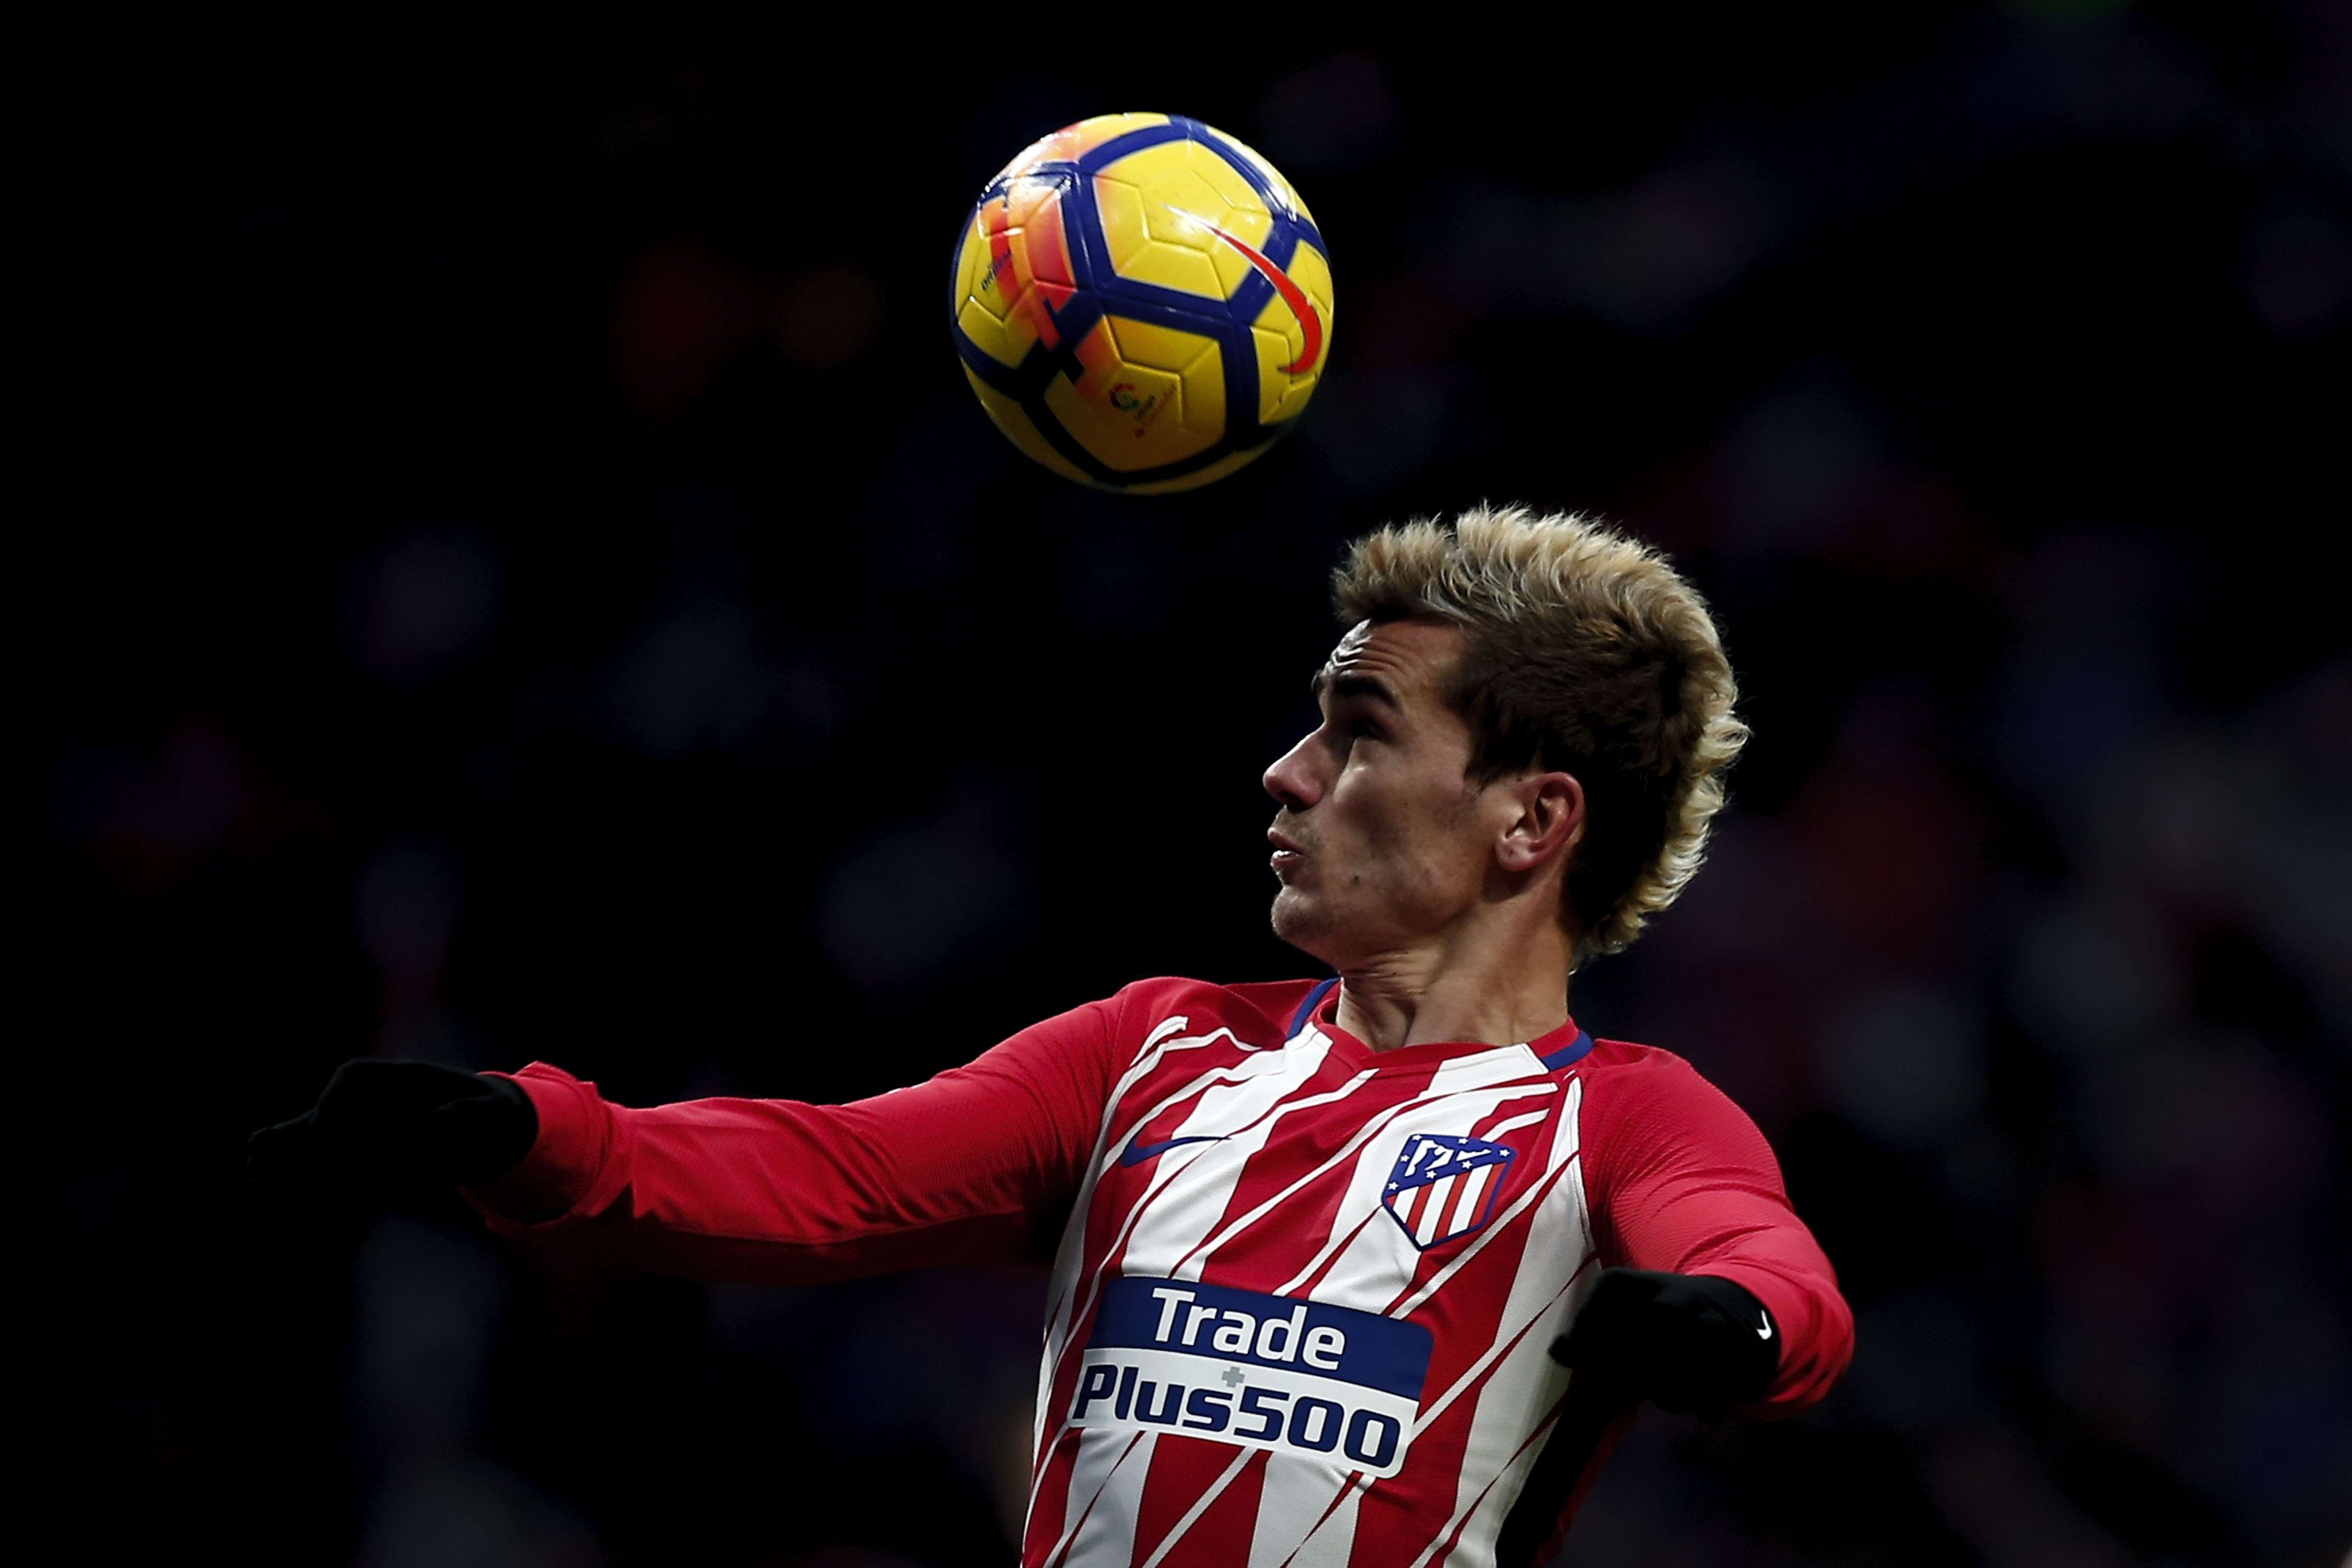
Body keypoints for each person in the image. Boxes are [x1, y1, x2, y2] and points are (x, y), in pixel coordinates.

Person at [253, 505, 1854, 1566]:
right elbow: (836, 1174)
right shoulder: (1152, 1050)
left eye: (1357, 733)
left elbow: (1767, 1265)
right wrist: (527, 1131)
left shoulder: (1625, 1116)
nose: (1285, 774)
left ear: (1532, 820)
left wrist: (1734, 1325)